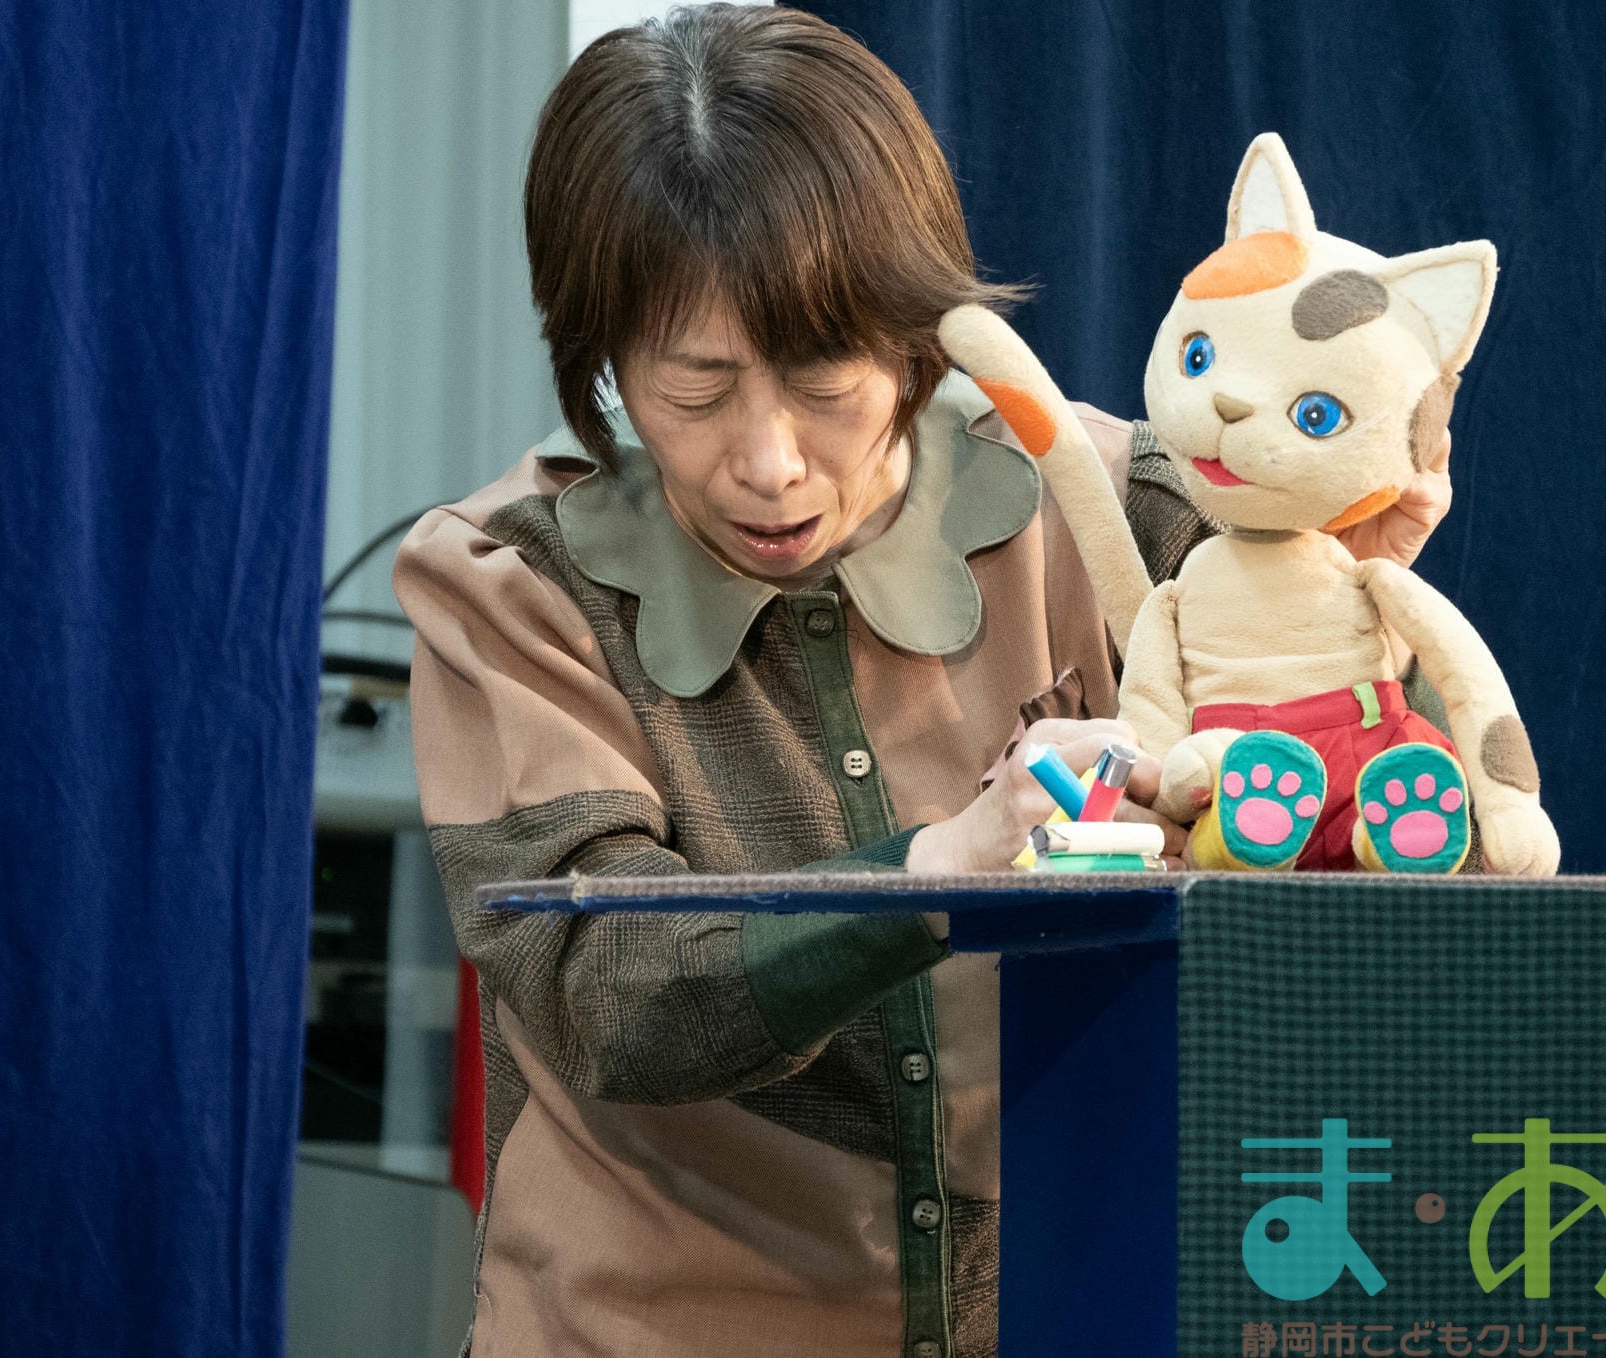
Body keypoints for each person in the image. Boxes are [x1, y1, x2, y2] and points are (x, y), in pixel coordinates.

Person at [392, 7, 1454, 1355]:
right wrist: (938, 870)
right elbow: (601, 990)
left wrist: (1349, 648)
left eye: (823, 382)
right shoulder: (512, 584)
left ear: (918, 335)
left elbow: (1376, 934)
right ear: (599, 357)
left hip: (1072, 1311)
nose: (768, 461)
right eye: (694, 391)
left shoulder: (1129, 511)